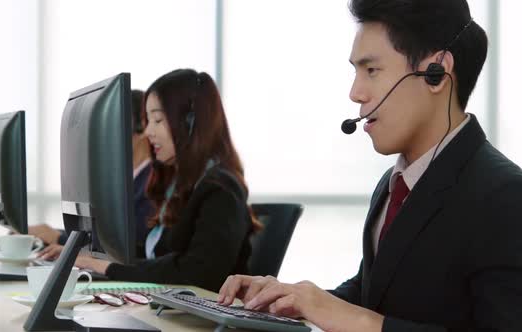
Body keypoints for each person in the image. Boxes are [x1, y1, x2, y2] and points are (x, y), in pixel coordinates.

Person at [217, 0, 522, 331]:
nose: (355, 93)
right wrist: (289, 299)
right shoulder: (393, 184)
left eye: (371, 70)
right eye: (356, 71)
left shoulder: (505, 195)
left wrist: (360, 320)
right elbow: (372, 295)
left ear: (436, 73)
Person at [74, 69, 261, 292]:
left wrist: (111, 269)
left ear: (191, 123)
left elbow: (198, 273)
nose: (148, 131)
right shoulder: (182, 185)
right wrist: (93, 257)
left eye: (158, 120)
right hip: (170, 305)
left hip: (201, 320)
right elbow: (158, 258)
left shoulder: (220, 188)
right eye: (147, 120)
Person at [32, 89, 154, 258]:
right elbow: (102, 236)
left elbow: (131, 245)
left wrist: (60, 238)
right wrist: (53, 235)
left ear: (142, 128)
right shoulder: (123, 180)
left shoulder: (154, 181)